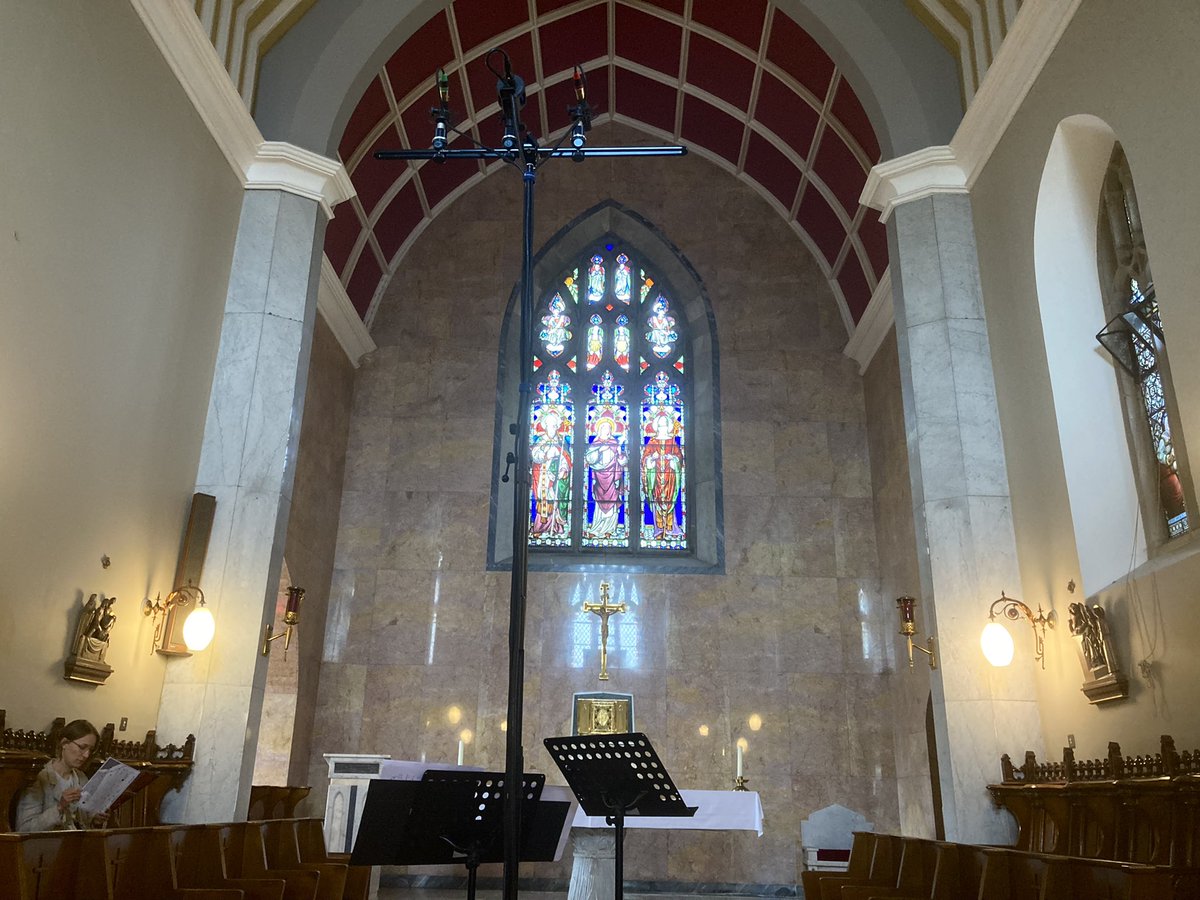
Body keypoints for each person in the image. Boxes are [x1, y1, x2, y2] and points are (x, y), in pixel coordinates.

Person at [16, 719, 108, 831]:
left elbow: (84, 823)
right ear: (64, 743)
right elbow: (24, 829)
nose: (86, 755)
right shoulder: (39, 777)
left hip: (76, 843)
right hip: (48, 845)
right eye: (82, 747)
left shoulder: (81, 778)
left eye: (91, 750)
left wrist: (95, 819)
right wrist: (59, 807)